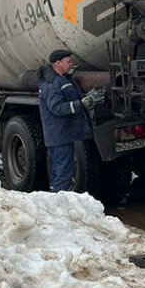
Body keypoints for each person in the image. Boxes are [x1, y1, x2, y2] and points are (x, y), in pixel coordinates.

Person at [38, 49, 103, 192]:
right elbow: (57, 108)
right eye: (68, 61)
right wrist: (82, 104)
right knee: (63, 171)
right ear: (58, 63)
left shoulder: (64, 78)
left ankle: (56, 199)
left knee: (63, 170)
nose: (71, 64)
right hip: (59, 135)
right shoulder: (51, 83)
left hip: (65, 133)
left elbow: (72, 98)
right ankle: (58, 202)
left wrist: (88, 97)